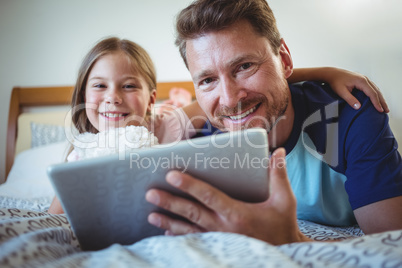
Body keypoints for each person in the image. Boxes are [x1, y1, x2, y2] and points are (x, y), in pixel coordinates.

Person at [145, 0, 402, 245]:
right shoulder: (199, 138)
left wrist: (291, 241)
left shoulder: (350, 114)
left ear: (285, 60)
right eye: (207, 80)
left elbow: (391, 244)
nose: (230, 99)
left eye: (245, 66)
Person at [48, 36, 387, 214]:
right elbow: (59, 218)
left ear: (151, 99)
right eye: (99, 86)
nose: (113, 98)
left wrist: (328, 73)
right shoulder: (80, 155)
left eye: (129, 86)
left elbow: (245, 91)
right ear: (82, 94)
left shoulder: (168, 126)